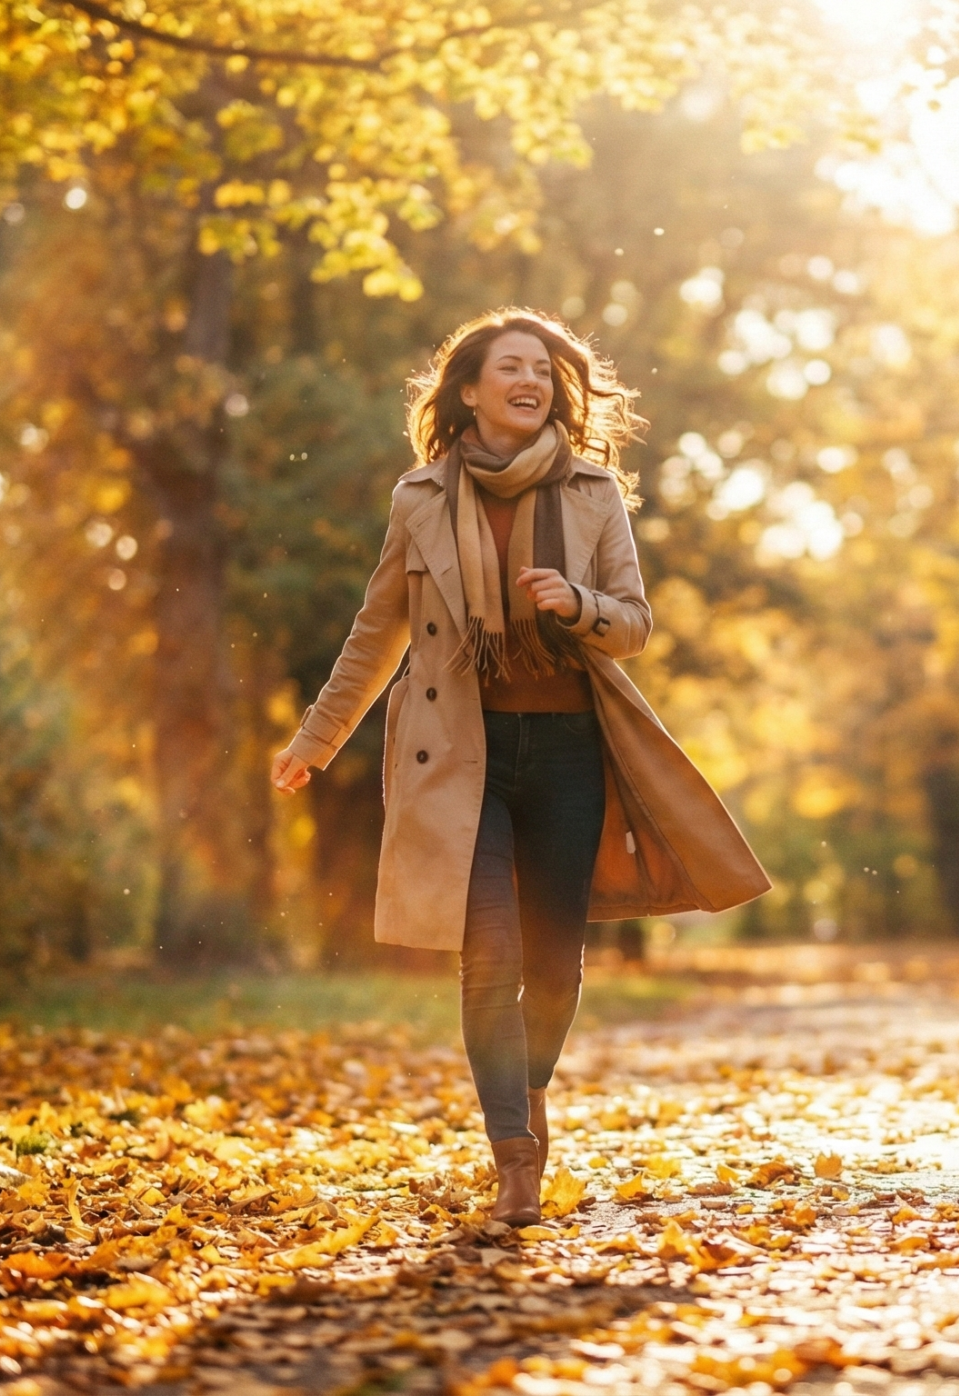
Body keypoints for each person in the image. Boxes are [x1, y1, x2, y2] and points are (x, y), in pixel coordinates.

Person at [270, 309, 770, 1226]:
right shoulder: (420, 498)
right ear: (471, 389)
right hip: (466, 758)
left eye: (542, 367)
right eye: (510, 365)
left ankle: (524, 1093)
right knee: (487, 957)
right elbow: (376, 632)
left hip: (572, 751)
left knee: (556, 967)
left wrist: (575, 602)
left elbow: (636, 624)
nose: (530, 378)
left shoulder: (593, 492)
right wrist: (316, 738)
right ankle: (515, 1155)